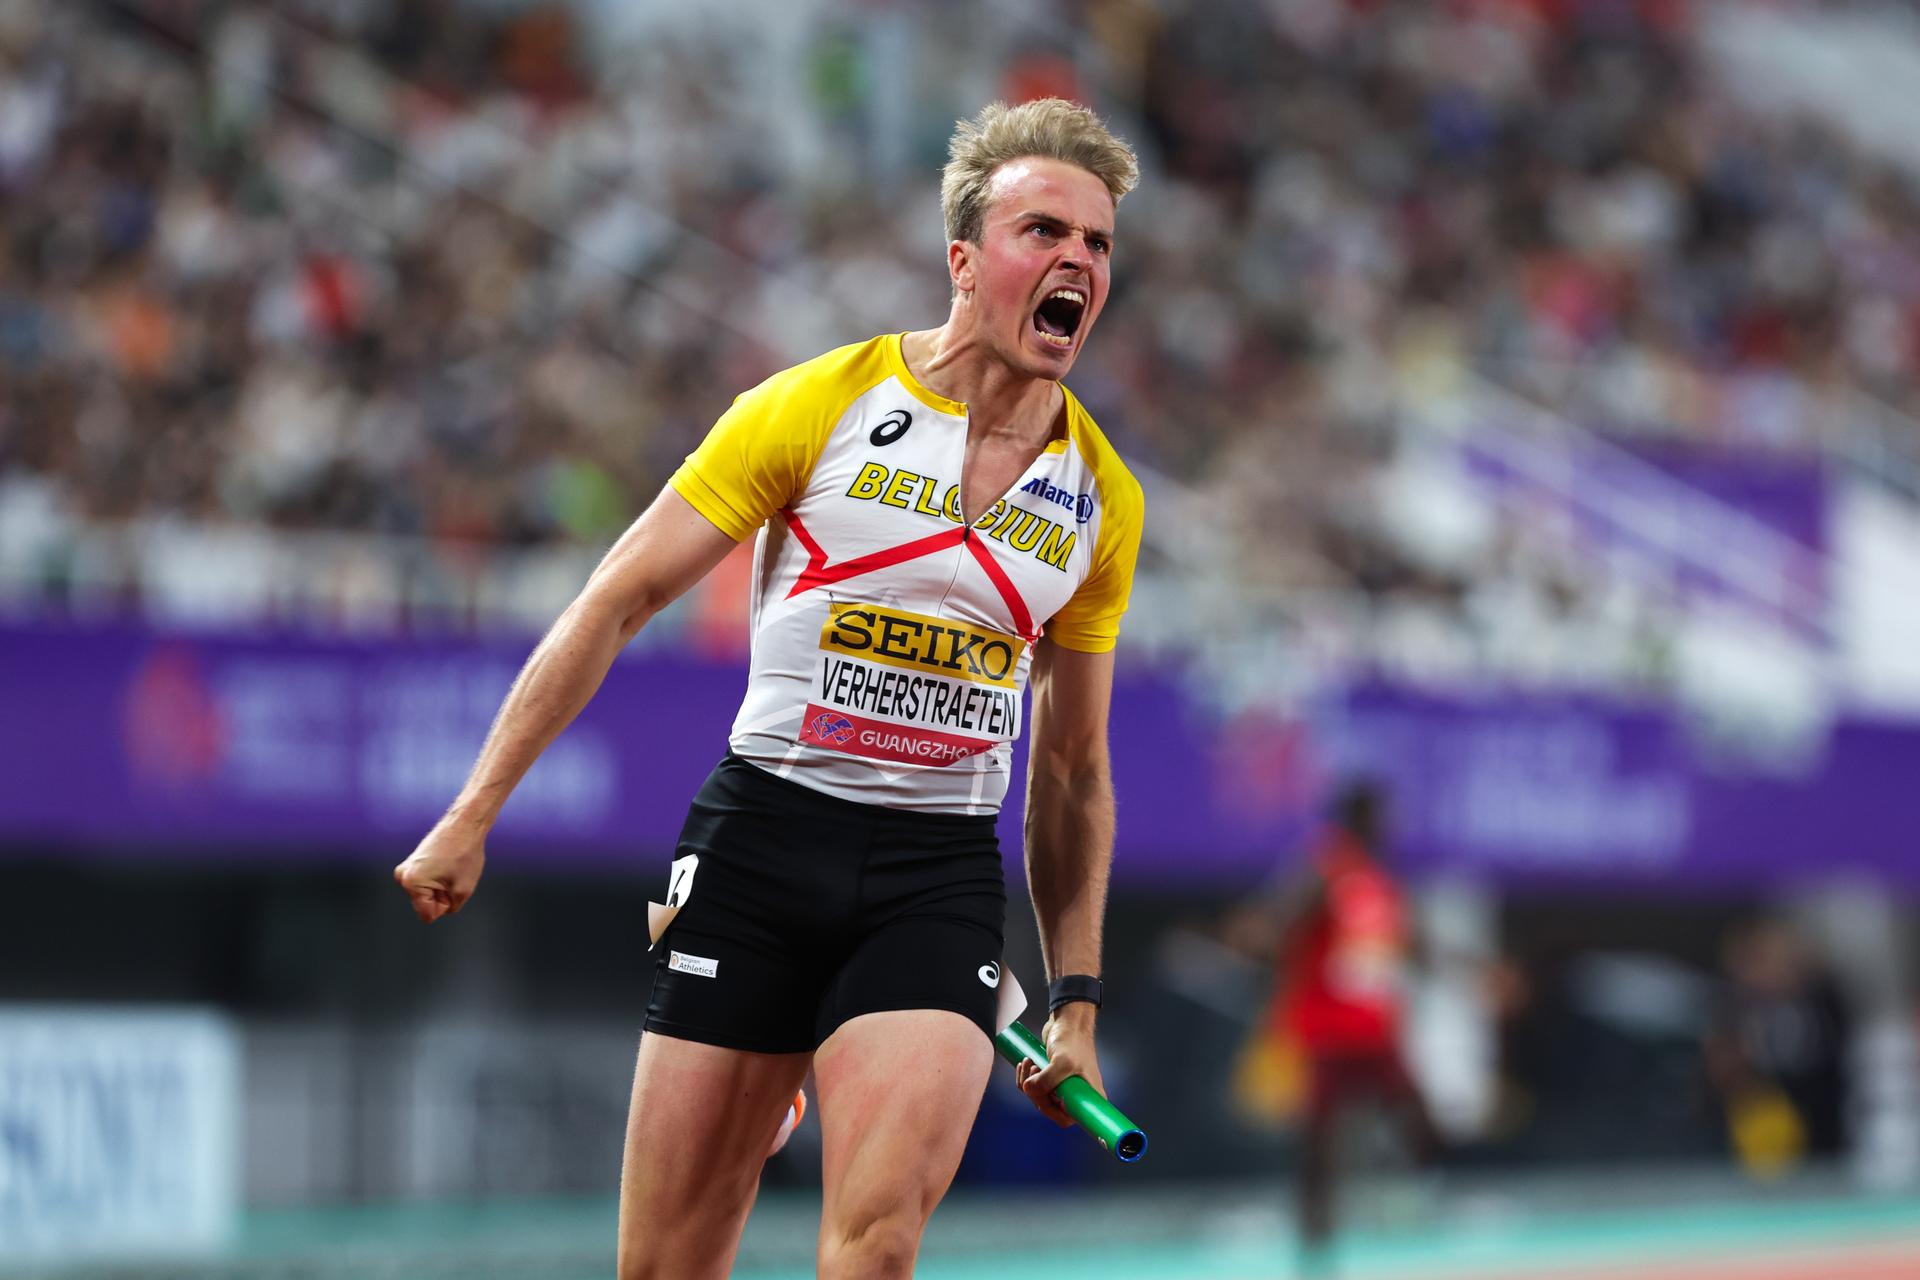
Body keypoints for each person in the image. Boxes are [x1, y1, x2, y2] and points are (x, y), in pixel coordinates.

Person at [392, 97, 1144, 1280]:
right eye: (1044, 230)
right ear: (964, 259)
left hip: (934, 873)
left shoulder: (1100, 495)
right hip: (762, 845)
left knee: (876, 1242)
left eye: (1098, 244)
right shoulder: (818, 403)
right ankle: (771, 1074)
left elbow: (1071, 769)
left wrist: (1078, 1003)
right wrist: (472, 811)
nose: (1078, 262)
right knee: (668, 1264)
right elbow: (618, 598)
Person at [1271, 779, 1440, 1273]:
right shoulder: (1325, 868)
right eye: (1379, 816)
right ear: (1359, 818)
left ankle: (1422, 1194)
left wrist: (1422, 954)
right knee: (1318, 1138)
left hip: (1375, 1030)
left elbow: (1405, 943)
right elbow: (1287, 922)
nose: (1389, 827)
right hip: (1327, 1030)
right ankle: (1314, 1236)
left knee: (1419, 1115)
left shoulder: (1382, 880)